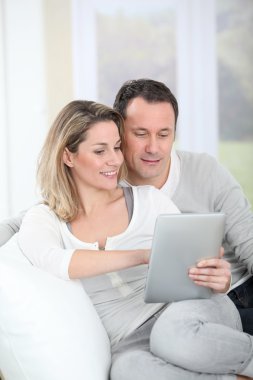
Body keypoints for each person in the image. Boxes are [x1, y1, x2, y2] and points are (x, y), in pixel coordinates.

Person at [0, 99, 252, 380]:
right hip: (129, 340)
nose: (115, 160)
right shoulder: (44, 218)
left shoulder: (149, 201)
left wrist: (219, 277)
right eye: (100, 150)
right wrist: (142, 255)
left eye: (117, 147)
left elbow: (202, 266)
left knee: (173, 336)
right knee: (127, 372)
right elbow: (54, 262)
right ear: (68, 156)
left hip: (187, 313)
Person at [112, 78, 253, 336]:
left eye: (164, 134)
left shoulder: (205, 170)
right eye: (140, 134)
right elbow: (50, 209)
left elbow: (250, 241)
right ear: (119, 133)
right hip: (175, 316)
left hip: (241, 291)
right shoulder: (105, 183)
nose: (153, 147)